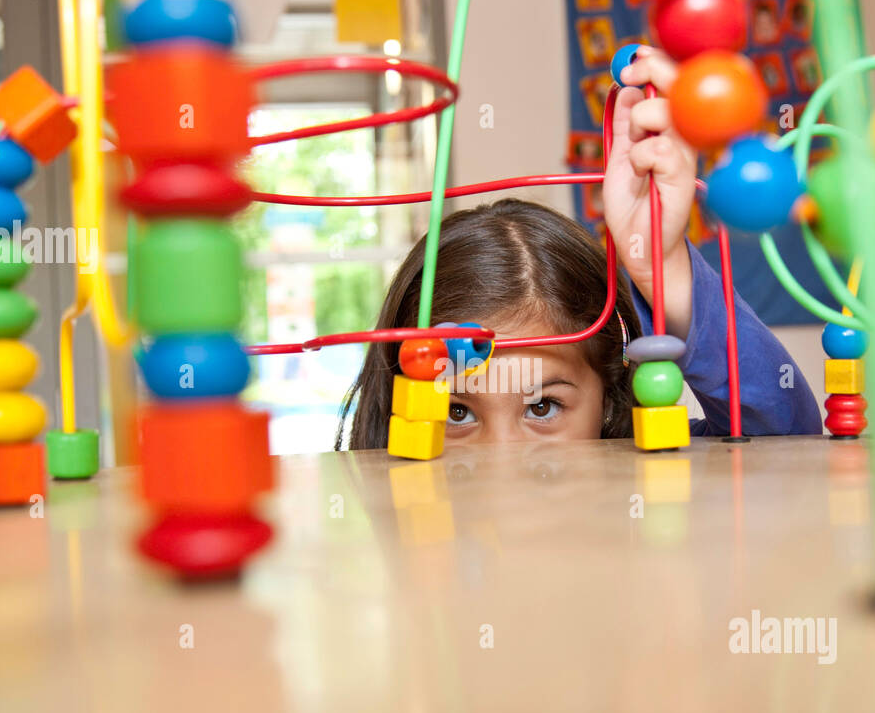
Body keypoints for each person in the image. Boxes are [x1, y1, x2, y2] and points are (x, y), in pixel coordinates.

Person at [337, 50, 821, 449]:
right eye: (456, 411)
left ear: (609, 403)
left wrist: (664, 270)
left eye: (542, 407)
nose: (502, 468)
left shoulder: (646, 480)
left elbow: (784, 441)